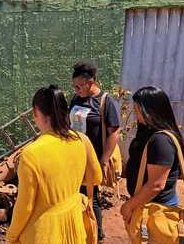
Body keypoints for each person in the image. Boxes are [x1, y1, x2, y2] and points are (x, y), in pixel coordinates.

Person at [6, 85, 102, 244]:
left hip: (44, 233)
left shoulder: (31, 154)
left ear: (36, 112)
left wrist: (11, 237)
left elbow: (25, 207)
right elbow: (97, 177)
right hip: (74, 224)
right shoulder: (80, 139)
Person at [69, 61, 120, 242]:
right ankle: (80, 231)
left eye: (79, 86)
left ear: (91, 82)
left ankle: (97, 235)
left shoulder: (106, 101)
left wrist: (104, 159)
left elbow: (113, 132)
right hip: (75, 157)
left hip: (94, 158)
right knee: (77, 195)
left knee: (93, 197)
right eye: (74, 86)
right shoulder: (76, 99)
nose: (76, 90)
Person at [121, 86, 184, 224]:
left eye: (138, 110)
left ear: (151, 112)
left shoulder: (161, 140)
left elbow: (156, 185)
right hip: (147, 204)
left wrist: (129, 206)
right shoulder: (149, 131)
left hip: (156, 209)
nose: (136, 114)